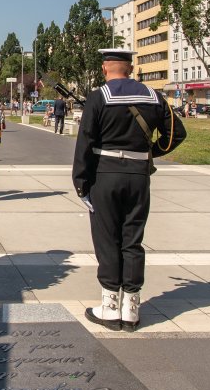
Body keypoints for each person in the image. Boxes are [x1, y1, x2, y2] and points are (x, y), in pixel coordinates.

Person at [72, 49, 186, 332]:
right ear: (131, 67)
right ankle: (132, 307)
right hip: (138, 176)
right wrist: (150, 153)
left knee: (107, 238)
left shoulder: (99, 97)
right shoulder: (152, 96)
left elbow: (85, 141)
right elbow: (176, 133)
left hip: (105, 175)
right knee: (132, 239)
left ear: (105, 68)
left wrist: (81, 182)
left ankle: (110, 306)